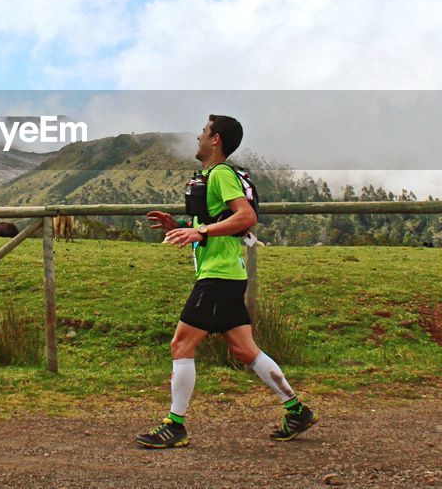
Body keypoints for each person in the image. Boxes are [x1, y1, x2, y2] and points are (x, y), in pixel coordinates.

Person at [135, 114, 316, 449]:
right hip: (228, 274)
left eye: (203, 132)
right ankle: (297, 410)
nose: (198, 137)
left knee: (181, 344)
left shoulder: (220, 174)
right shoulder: (213, 177)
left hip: (218, 276)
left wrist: (199, 230)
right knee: (243, 349)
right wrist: (180, 223)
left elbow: (246, 216)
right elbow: (218, 221)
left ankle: (174, 426)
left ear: (215, 139)